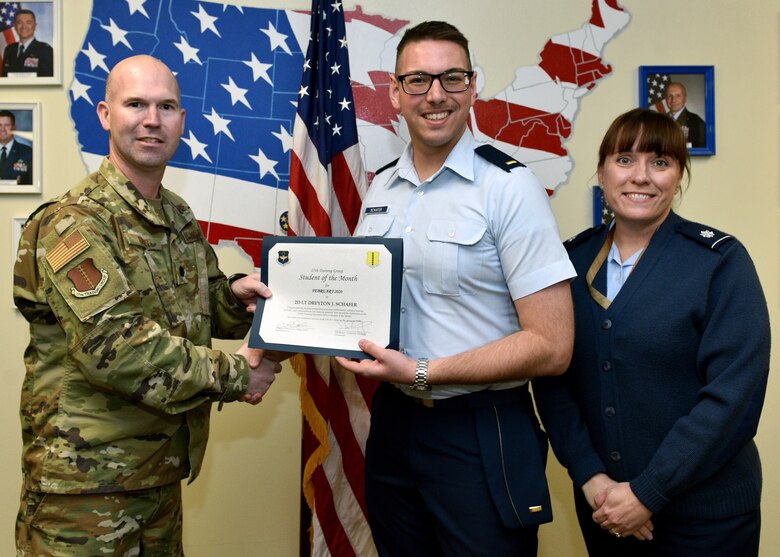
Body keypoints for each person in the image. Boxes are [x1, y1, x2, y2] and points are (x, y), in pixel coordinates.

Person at [12, 55, 281, 555]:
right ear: (105, 114)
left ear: (182, 119)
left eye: (167, 106)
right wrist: (238, 374)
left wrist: (236, 295)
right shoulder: (73, 225)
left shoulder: (174, 213)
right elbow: (116, 350)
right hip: (85, 493)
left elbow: (193, 312)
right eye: (136, 104)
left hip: (156, 476)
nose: (152, 120)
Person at [335, 21, 576, 556]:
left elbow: (554, 345)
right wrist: (281, 307)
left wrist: (424, 372)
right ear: (395, 94)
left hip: (482, 431)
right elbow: (351, 301)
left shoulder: (509, 188)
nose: (436, 95)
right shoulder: (380, 188)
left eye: (452, 78)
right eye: (418, 80)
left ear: (473, 87)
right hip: (396, 427)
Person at [534, 108, 770, 557]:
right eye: (624, 159)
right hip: (605, 511)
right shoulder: (569, 263)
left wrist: (646, 493)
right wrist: (590, 476)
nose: (640, 176)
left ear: (679, 176)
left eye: (660, 162)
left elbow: (733, 398)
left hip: (707, 520)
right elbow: (552, 379)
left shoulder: (719, 262)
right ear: (601, 172)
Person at [1, 8, 54, 77]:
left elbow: (48, 81)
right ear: (15, 26)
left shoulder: (45, 50)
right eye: (19, 23)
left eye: (28, 22)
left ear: (35, 26)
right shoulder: (9, 49)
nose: (24, 27)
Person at [665, 82, 705, 148]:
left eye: (677, 96)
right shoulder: (659, 121)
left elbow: (701, 152)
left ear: (685, 98)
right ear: (666, 99)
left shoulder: (697, 122)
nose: (673, 100)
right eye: (670, 96)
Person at [0, 109, 32, 184]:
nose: (2, 129)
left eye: (7, 125)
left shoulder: (28, 153)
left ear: (14, 128)